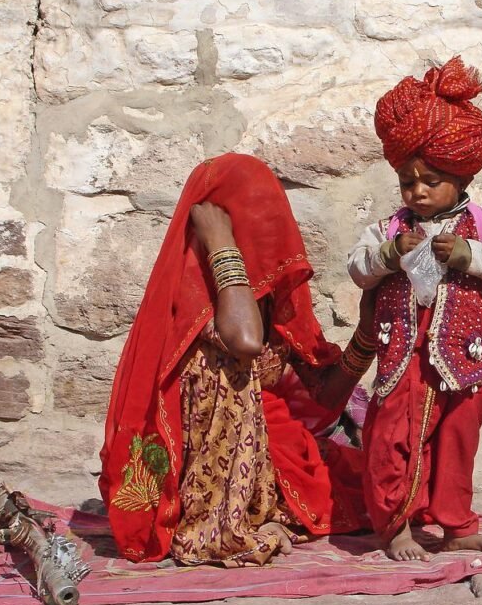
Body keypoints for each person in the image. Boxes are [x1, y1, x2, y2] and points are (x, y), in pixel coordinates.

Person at [100, 153, 376, 565]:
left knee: (387, 485)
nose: (269, 231)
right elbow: (245, 341)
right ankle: (240, 517)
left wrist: (366, 335)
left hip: (274, 442)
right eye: (254, 217)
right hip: (212, 465)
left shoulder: (265, 294)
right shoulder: (198, 297)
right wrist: (221, 244)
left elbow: (318, 402)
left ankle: (273, 505)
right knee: (232, 377)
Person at [348, 57, 482, 561]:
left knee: (457, 440)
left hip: (465, 359)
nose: (418, 191)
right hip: (404, 356)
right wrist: (388, 256)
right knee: (392, 439)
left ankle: (456, 523)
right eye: (409, 181)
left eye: (432, 180)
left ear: (462, 177)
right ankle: (396, 524)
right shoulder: (387, 230)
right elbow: (359, 270)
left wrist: (470, 256)